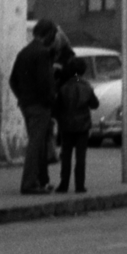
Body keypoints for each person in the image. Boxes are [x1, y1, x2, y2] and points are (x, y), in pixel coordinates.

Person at [9, 18, 58, 194]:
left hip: (26, 104)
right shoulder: (43, 53)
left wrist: (22, 98)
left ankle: (42, 180)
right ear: (49, 34)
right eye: (54, 34)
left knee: (41, 143)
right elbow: (46, 83)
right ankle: (29, 183)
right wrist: (50, 101)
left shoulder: (24, 53)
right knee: (36, 144)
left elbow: (12, 80)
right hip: (40, 106)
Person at [54, 56, 98, 195]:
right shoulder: (86, 86)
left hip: (66, 125)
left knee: (66, 156)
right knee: (81, 157)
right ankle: (80, 185)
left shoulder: (64, 87)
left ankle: (64, 184)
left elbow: (57, 107)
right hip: (83, 126)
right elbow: (95, 104)